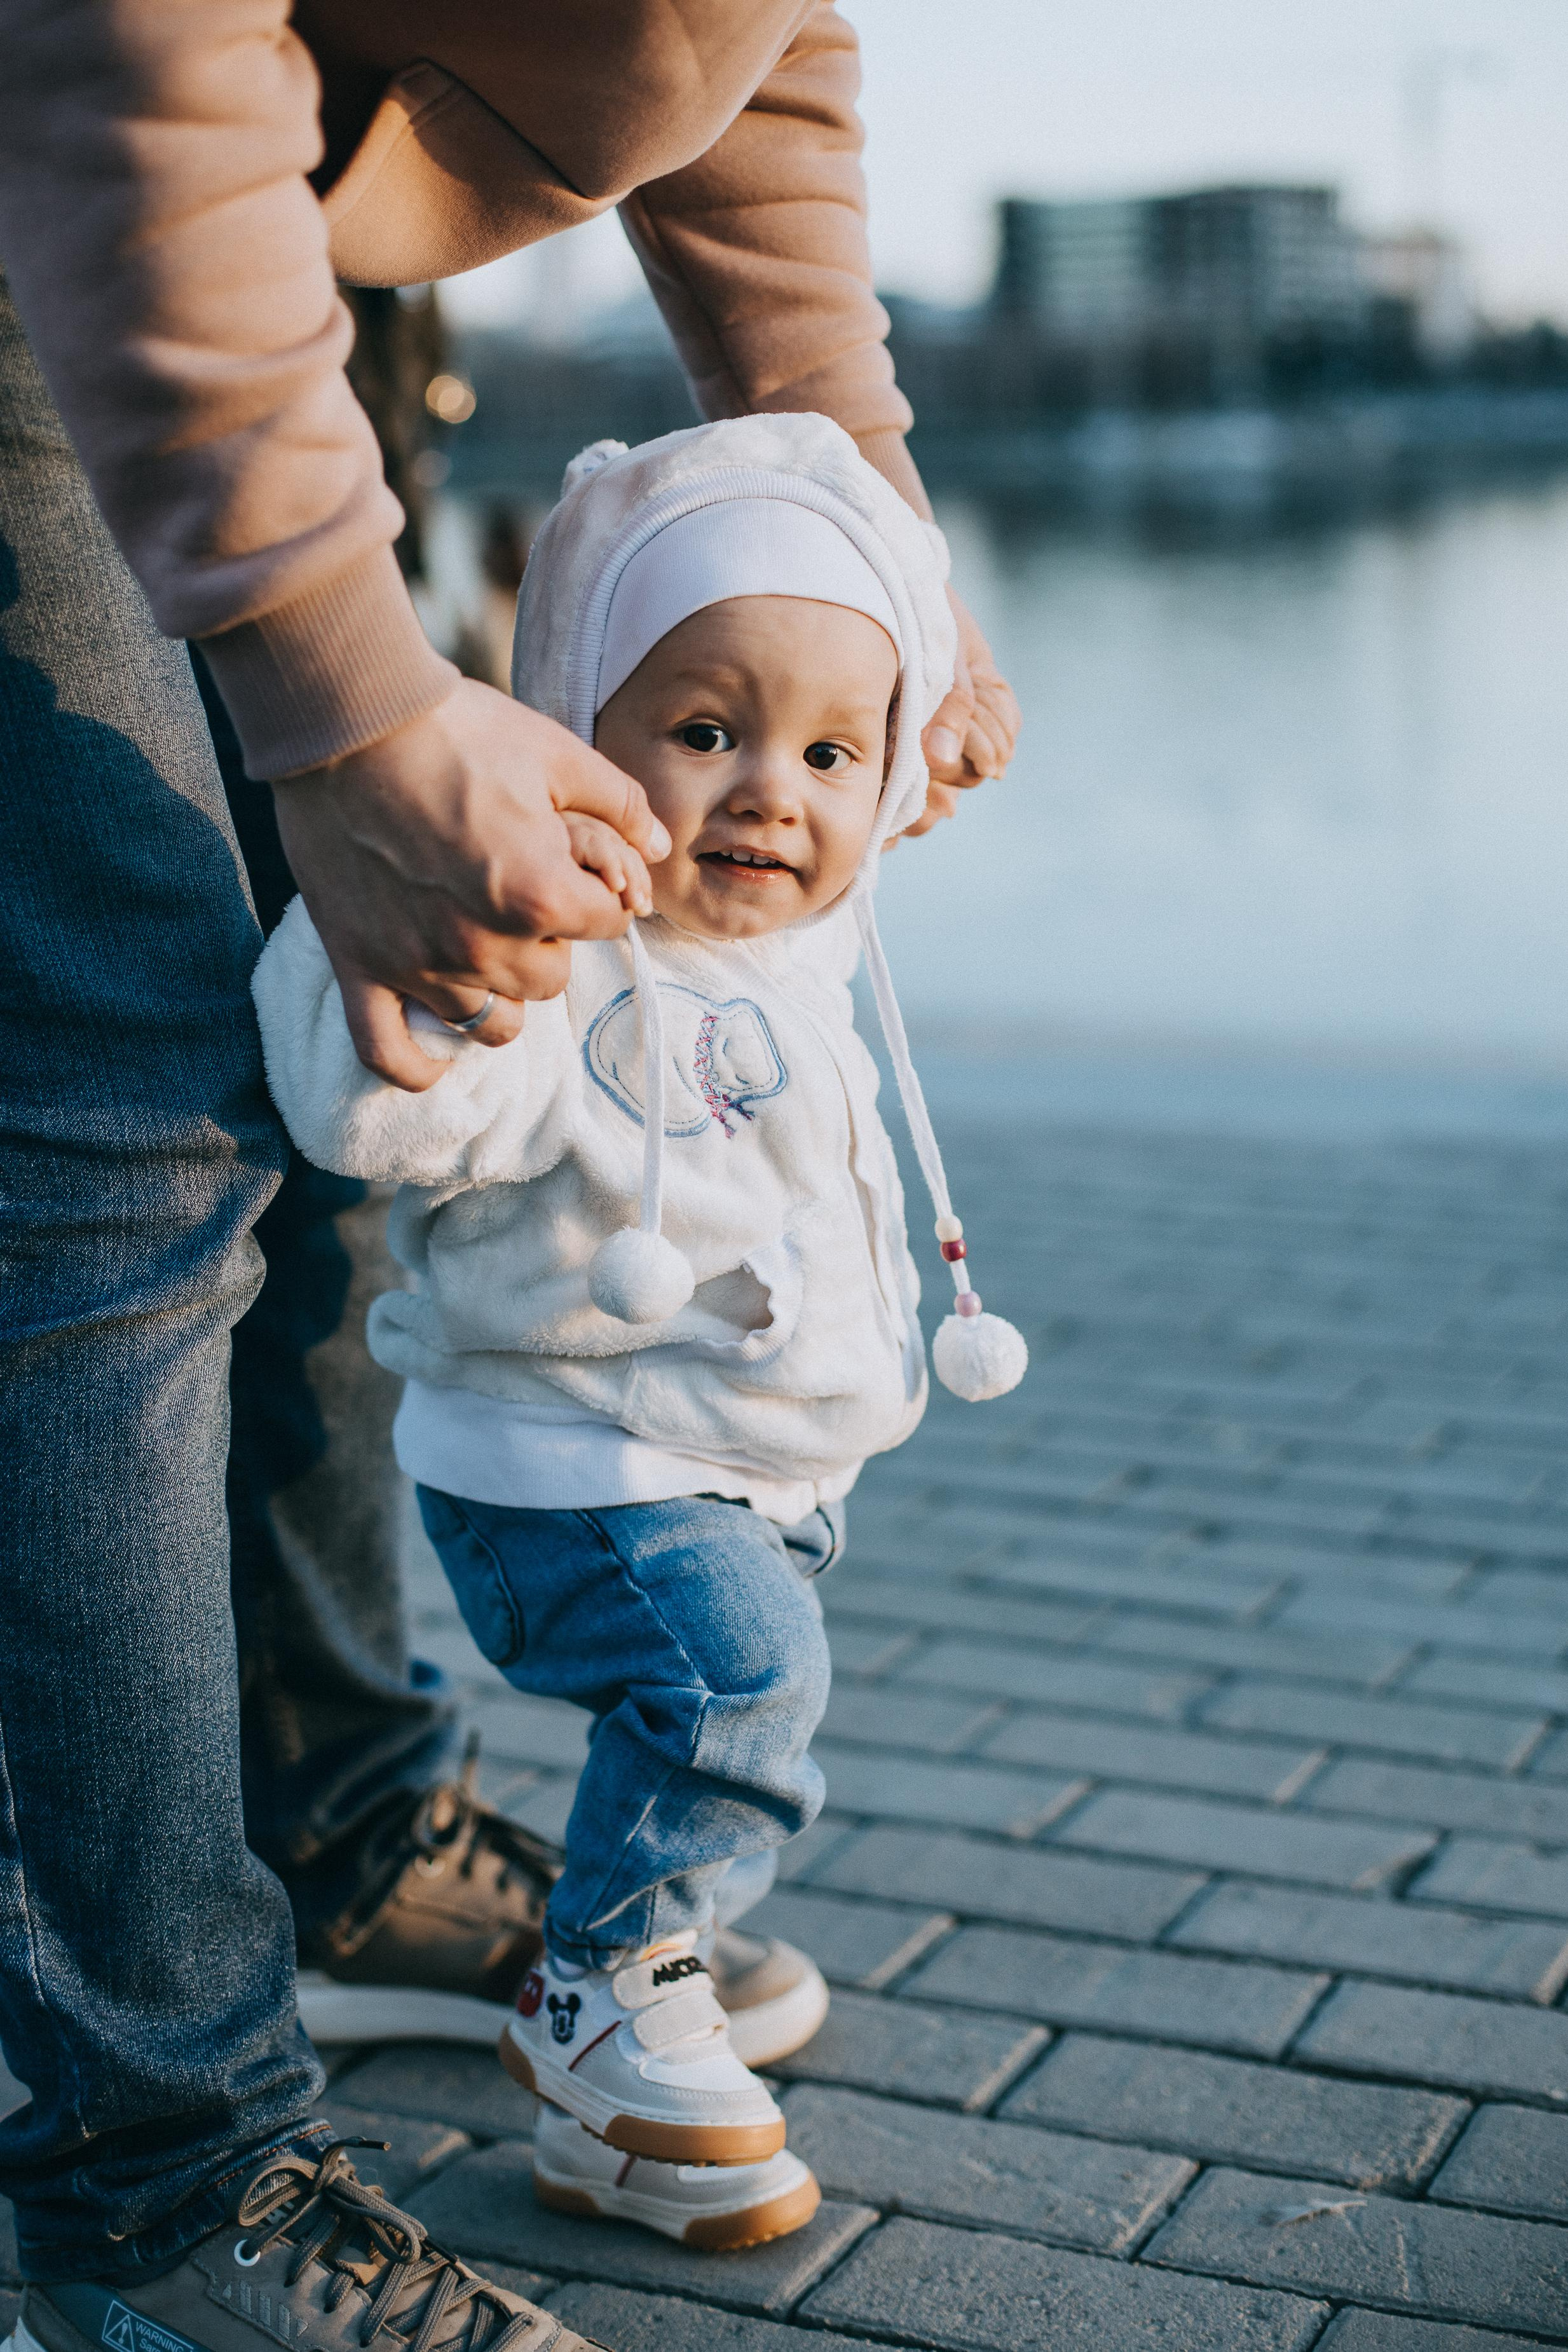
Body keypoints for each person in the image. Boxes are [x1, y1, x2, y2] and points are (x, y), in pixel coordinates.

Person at [0, 4, 1017, 2341]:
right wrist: (354, 704)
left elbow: (749, 41)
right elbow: (121, 43)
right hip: (73, 138)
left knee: (358, 968)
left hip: (281, 229)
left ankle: (340, 1832)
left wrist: (869, 516)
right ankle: (156, 2173)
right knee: (113, 1110)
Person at [250, 411, 1028, 2248]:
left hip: (734, 1463)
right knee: (742, 1691)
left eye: (832, 753)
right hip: (568, 1464)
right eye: (702, 731)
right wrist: (409, 969)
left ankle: (634, 1957)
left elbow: (871, 768)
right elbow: (384, 1124)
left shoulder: (799, 950)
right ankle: (605, 1994)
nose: (771, 790)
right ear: (580, 743)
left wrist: (926, 695)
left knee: (727, 1698)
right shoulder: (565, 961)